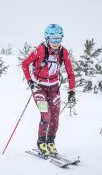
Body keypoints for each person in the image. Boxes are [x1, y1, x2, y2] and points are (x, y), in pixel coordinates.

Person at [22, 24, 76, 156]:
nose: (56, 43)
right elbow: (25, 64)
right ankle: (41, 142)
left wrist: (72, 91)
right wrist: (30, 81)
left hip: (54, 88)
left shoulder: (64, 52)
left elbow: (70, 72)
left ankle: (50, 141)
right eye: (53, 39)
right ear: (47, 38)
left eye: (59, 39)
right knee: (46, 115)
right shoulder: (40, 50)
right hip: (39, 87)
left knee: (55, 118)